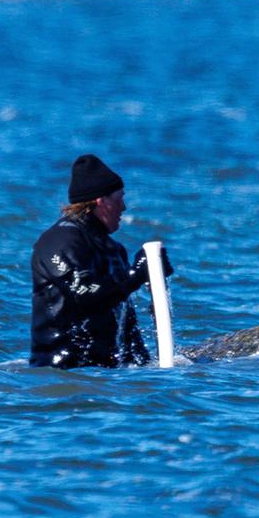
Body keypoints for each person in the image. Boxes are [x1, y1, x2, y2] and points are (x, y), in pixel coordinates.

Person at [30, 154, 173, 369]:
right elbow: (84, 295)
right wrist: (136, 275)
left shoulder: (114, 249)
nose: (124, 207)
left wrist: (145, 368)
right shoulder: (59, 241)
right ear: (101, 201)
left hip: (108, 372)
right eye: (119, 198)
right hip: (62, 370)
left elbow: (126, 324)